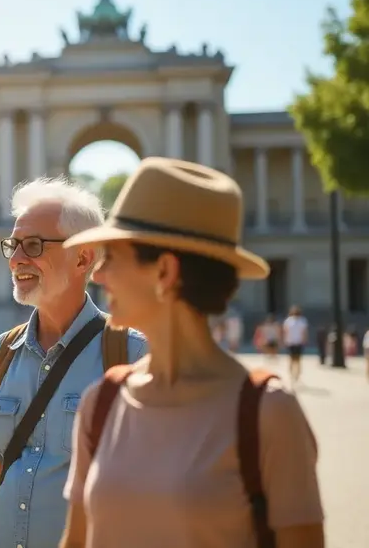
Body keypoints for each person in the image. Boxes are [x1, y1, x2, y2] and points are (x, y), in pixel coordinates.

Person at [59, 157, 324, 548]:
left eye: (112, 257)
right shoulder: (101, 403)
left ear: (165, 272)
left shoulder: (270, 412)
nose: (97, 275)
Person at [0, 177, 147, 548]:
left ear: (83, 257)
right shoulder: (0, 354)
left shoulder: (133, 356)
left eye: (33, 245)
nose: (16, 259)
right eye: (13, 245)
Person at [282, 305, 308, 385]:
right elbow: (285, 331)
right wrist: (285, 340)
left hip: (298, 342)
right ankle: (291, 374)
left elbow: (304, 332)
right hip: (290, 342)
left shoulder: (302, 321)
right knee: (291, 359)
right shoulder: (288, 321)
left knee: (298, 359)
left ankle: (297, 375)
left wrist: (304, 340)